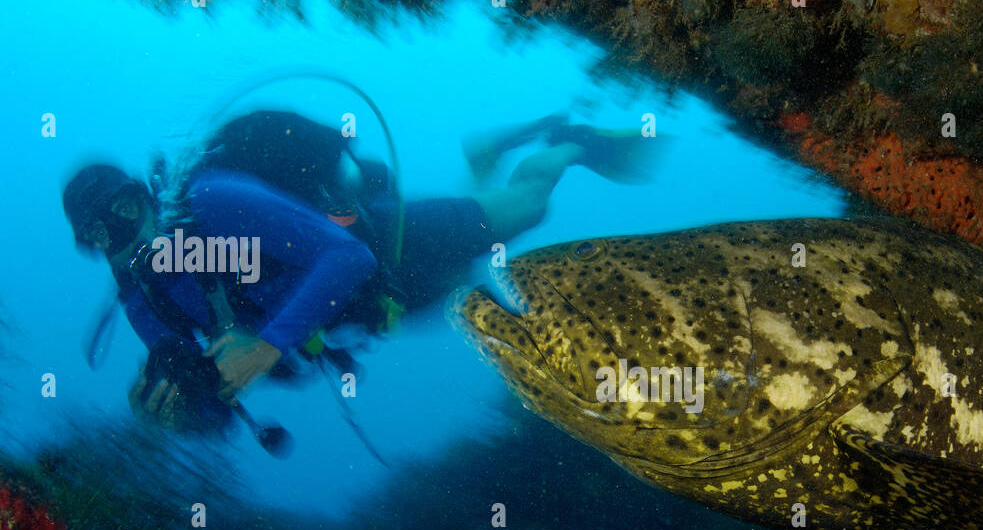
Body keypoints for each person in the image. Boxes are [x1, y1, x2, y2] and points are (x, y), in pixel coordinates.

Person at [62, 110, 648, 431]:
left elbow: (347, 257)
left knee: (525, 209)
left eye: (126, 210)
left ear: (145, 195)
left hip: (387, 243)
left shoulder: (213, 200)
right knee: (464, 277)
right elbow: (217, 401)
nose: (124, 235)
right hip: (368, 310)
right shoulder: (143, 297)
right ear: (91, 246)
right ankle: (483, 157)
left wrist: (265, 347)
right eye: (100, 233)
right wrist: (169, 410)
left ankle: (571, 142)